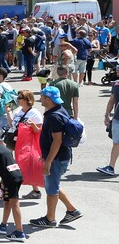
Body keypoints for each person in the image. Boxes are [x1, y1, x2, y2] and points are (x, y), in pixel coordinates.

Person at [31, 87, 82, 229]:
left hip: (56, 159)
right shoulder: (60, 110)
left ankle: (50, 219)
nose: (40, 98)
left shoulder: (54, 117)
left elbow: (57, 141)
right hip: (58, 156)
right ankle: (72, 210)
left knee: (51, 190)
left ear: (48, 99)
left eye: (42, 96)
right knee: (54, 184)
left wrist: (48, 162)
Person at [0, 128, 26, 242]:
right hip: (17, 175)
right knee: (7, 201)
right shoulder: (4, 147)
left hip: (10, 179)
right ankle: (3, 225)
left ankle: (19, 232)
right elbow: (7, 165)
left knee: (14, 204)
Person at [10, 91, 44, 198]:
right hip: (17, 143)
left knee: (19, 167)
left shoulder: (34, 113)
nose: (17, 99)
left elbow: (39, 131)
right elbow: (12, 125)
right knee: (22, 167)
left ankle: (10, 191)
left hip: (28, 145)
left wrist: (32, 124)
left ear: (27, 100)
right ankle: (36, 191)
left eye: (20, 98)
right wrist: (8, 113)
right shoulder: (18, 111)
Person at [98, 78, 119, 176]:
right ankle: (111, 167)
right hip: (117, 118)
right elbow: (112, 100)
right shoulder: (116, 84)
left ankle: (111, 167)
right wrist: (107, 115)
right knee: (116, 143)